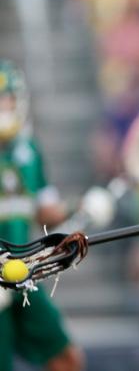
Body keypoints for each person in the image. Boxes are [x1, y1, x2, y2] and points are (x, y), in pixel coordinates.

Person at [0, 61, 84, 371]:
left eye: (6, 98)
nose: (3, 106)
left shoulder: (28, 150)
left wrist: (83, 207)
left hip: (22, 275)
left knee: (66, 358)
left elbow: (47, 212)